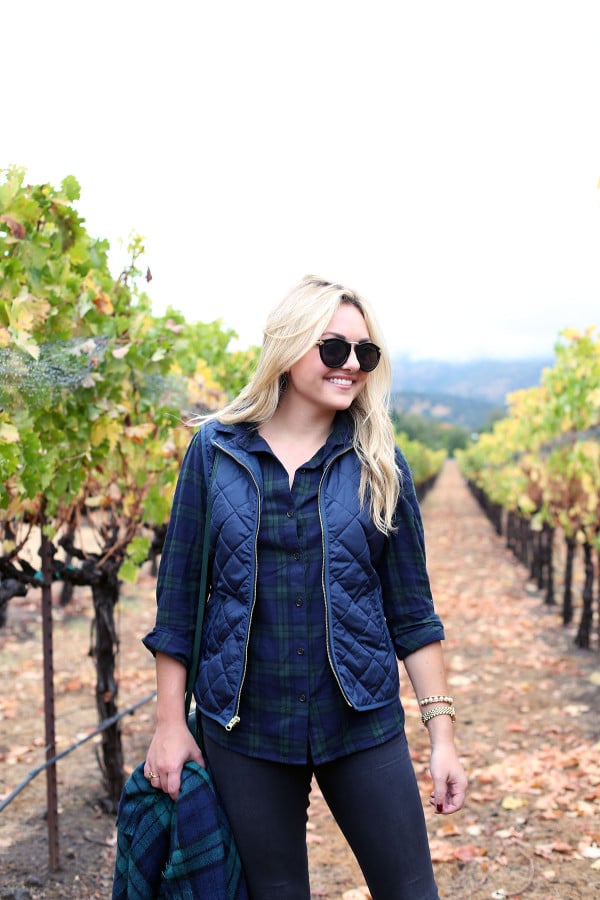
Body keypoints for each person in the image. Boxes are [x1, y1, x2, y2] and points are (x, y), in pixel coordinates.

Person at [142, 275, 467, 900]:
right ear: (289, 349)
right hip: (244, 726)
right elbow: (178, 601)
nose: (351, 366)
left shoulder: (380, 463)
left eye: (364, 354)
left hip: (360, 719)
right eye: (333, 348)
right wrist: (168, 724)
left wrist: (442, 737)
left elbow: (413, 614)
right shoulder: (214, 453)